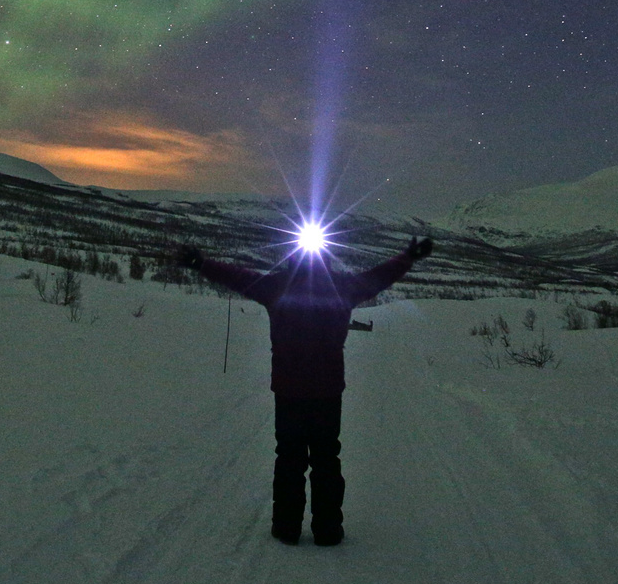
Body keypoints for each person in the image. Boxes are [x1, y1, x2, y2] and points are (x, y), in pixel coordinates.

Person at [179, 234, 434, 547]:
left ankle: (286, 527)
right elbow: (378, 277)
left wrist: (202, 263)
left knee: (289, 458)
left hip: (289, 392)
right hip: (327, 392)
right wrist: (408, 257)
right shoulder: (342, 287)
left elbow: (239, 277)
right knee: (326, 459)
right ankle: (328, 529)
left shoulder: (277, 286)